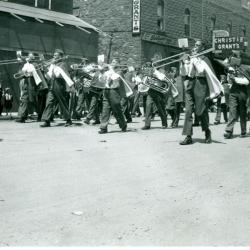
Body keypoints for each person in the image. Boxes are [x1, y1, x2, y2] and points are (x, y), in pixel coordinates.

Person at [180, 39, 223, 145]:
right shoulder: (189, 57)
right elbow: (184, 72)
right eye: (194, 45)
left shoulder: (204, 59)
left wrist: (195, 59)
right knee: (188, 111)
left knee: (201, 111)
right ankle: (188, 136)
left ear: (202, 48)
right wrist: (184, 61)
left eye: (198, 45)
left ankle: (207, 131)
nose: (195, 47)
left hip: (200, 84)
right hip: (190, 83)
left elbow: (203, 71)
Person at [40, 49, 74, 127]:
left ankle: (68, 120)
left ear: (60, 56)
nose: (53, 57)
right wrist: (45, 70)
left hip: (59, 86)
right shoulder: (53, 65)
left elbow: (61, 76)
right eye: (54, 55)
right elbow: (48, 77)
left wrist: (71, 87)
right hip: (52, 85)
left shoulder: (62, 64)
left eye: (56, 56)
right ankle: (47, 120)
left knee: (62, 103)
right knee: (49, 103)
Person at [98, 58, 128, 134]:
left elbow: (115, 78)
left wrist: (110, 69)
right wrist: (101, 72)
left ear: (118, 64)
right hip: (106, 91)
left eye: (114, 62)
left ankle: (123, 125)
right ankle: (103, 128)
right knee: (105, 110)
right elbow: (101, 80)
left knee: (117, 110)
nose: (112, 63)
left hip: (114, 91)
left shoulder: (119, 72)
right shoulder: (107, 71)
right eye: (112, 62)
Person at [223, 55, 250, 138]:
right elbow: (225, 64)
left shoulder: (245, 68)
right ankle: (229, 131)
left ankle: (243, 131)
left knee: (242, 112)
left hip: (242, 92)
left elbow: (247, 81)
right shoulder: (231, 68)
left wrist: (235, 79)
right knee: (232, 110)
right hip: (233, 92)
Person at [141, 61, 168, 130]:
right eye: (147, 66)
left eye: (149, 66)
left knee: (160, 108)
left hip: (158, 91)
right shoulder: (147, 72)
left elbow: (163, 79)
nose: (148, 67)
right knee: (148, 107)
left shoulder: (159, 72)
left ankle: (164, 123)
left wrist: (155, 74)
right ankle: (147, 125)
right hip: (150, 91)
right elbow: (145, 81)